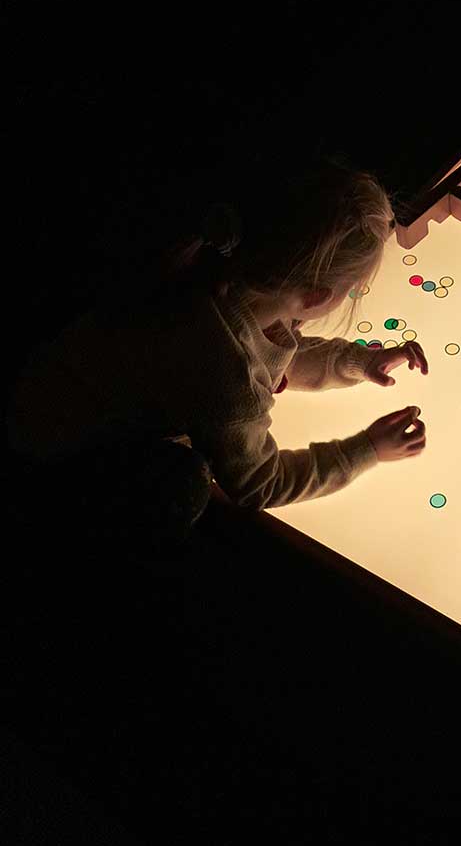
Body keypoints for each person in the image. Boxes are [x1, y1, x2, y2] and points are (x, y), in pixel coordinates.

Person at [6, 154, 429, 554]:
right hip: (54, 453)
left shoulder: (226, 274)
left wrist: (359, 362)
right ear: (317, 297)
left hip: (51, 377)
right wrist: (367, 449)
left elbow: (273, 351)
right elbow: (260, 483)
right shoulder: (225, 373)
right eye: (352, 290)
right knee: (184, 484)